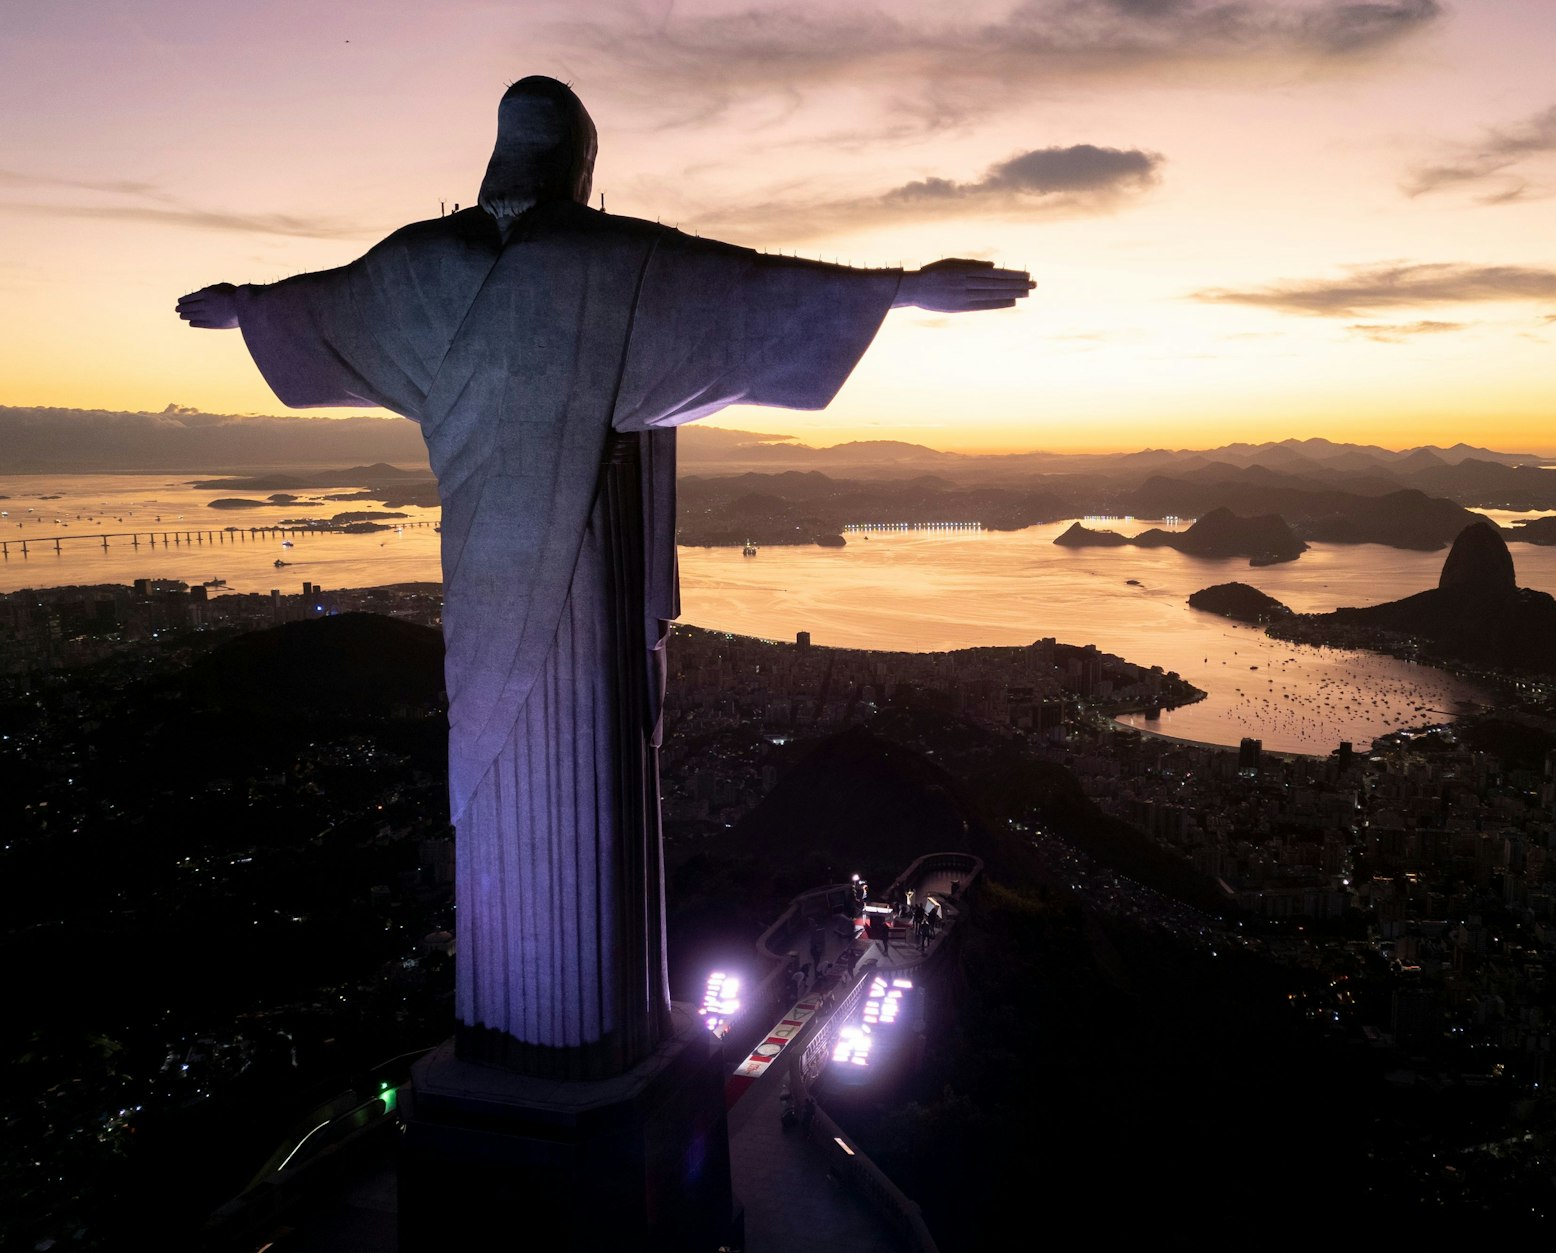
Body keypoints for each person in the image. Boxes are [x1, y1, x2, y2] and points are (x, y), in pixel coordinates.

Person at [176, 77, 1031, 1080]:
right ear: (578, 162)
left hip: (480, 597)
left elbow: (318, 308)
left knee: (497, 795)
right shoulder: (599, 265)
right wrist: (893, 289)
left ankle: (513, 1026)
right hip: (582, 592)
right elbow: (745, 296)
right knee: (583, 786)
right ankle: (591, 1039)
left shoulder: (417, 270)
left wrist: (240, 307)